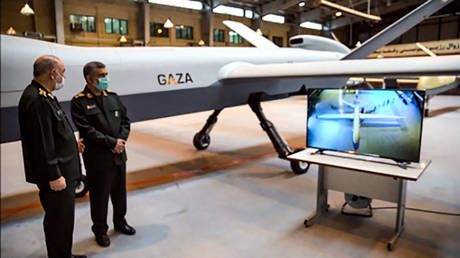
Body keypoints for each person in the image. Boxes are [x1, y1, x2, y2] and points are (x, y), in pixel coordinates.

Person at [18, 55, 86, 258]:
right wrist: (54, 174)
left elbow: (53, 133)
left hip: (64, 169)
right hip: (57, 176)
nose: (64, 76)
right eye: (62, 71)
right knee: (58, 220)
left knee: (64, 220)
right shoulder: (36, 99)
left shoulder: (45, 96)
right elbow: (41, 143)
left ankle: (64, 253)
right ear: (52, 72)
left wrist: (72, 145)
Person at [70, 61, 135, 247]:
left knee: (120, 193)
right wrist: (112, 143)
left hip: (118, 155)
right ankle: (100, 231)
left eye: (106, 74)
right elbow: (87, 130)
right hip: (98, 159)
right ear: (89, 79)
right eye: (101, 75)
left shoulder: (113, 97)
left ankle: (120, 222)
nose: (105, 78)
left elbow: (125, 121)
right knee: (99, 197)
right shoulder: (79, 101)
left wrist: (121, 142)